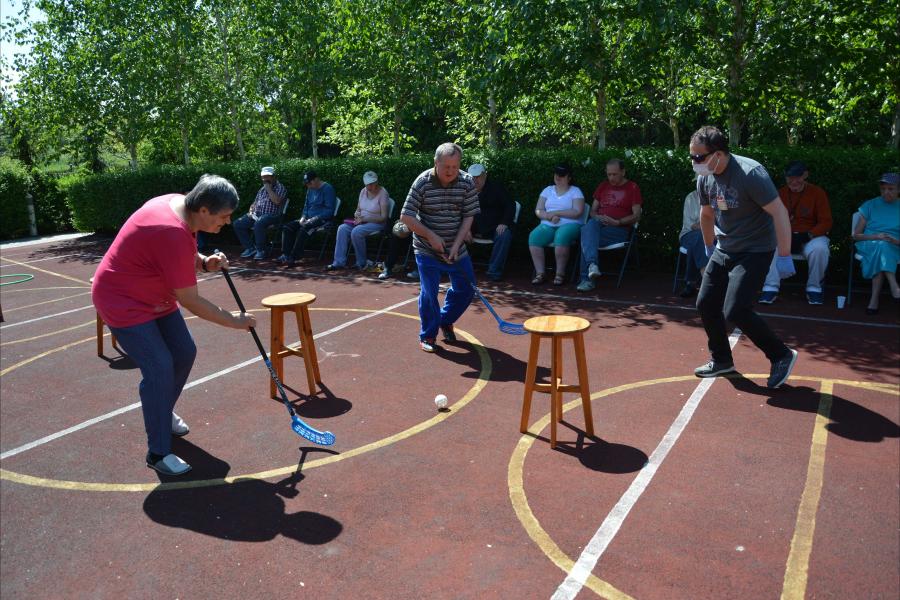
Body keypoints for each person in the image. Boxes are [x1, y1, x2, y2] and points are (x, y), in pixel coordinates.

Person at [91, 175, 256, 476]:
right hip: (122, 301)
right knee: (159, 367)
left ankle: (161, 411)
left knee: (184, 352)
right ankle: (158, 453)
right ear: (204, 209)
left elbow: (180, 254)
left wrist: (205, 262)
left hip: (154, 295)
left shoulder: (181, 207)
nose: (228, 222)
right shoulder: (170, 229)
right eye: (224, 216)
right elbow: (191, 300)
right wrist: (235, 321)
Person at [689, 125, 798, 389]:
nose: (695, 163)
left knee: (736, 310)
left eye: (699, 157)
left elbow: (780, 213)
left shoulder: (750, 174)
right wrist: (707, 246)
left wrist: (783, 255)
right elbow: (706, 214)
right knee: (705, 303)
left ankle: (781, 355)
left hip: (755, 249)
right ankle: (721, 359)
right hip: (724, 247)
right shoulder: (706, 177)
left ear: (718, 153)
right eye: (691, 157)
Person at [399, 142, 480, 353]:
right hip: (426, 249)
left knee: (466, 289)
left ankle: (445, 320)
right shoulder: (422, 182)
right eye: (446, 167)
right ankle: (428, 335)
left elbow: (468, 216)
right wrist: (431, 236)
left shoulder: (467, 182)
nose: (451, 172)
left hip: (456, 248)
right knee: (429, 292)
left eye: (455, 167)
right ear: (436, 163)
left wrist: (456, 244)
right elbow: (406, 216)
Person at [759, 161, 833, 305]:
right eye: (790, 177)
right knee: (769, 246)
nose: (794, 181)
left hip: (810, 236)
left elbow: (826, 221)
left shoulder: (817, 193)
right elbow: (770, 218)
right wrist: (783, 235)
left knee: (820, 249)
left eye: (798, 177)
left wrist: (809, 235)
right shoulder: (779, 193)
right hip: (785, 235)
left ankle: (814, 288)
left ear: (805, 175)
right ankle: (770, 287)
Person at [577, 158, 643, 291]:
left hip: (618, 229)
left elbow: (637, 215)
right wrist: (598, 217)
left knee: (586, 235)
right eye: (609, 174)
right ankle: (592, 266)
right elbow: (593, 211)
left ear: (623, 172)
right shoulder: (603, 186)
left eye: (615, 174)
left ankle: (587, 277)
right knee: (590, 227)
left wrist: (617, 222)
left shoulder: (632, 188)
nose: (611, 177)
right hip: (599, 225)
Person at [528, 164, 585, 285]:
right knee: (534, 237)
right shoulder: (547, 190)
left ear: (569, 178)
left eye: (562, 175)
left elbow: (577, 212)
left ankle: (560, 274)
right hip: (548, 224)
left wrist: (556, 213)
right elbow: (538, 210)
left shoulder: (575, 191)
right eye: (556, 174)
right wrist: (549, 216)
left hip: (571, 225)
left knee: (561, 235)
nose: (558, 177)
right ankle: (540, 273)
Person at [852, 172, 900, 315]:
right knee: (881, 246)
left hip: (895, 245)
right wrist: (876, 236)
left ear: (899, 189)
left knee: (883, 247)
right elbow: (856, 236)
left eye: (891, 189)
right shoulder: (870, 205)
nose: (886, 192)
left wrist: (895, 240)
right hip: (868, 243)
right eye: (883, 189)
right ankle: (893, 285)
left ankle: (874, 300)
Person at [326, 171, 389, 271]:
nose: (369, 187)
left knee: (357, 231)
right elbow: (358, 209)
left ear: (377, 182)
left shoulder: (383, 193)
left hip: (377, 223)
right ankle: (338, 262)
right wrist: (357, 214)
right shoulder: (363, 191)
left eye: (372, 184)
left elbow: (383, 217)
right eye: (367, 184)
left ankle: (361, 262)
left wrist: (364, 219)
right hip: (361, 222)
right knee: (342, 228)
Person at [466, 163, 516, 281]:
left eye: (478, 176)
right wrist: (465, 229)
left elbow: (510, 205)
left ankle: (494, 271)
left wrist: (504, 222)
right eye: (472, 177)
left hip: (494, 226)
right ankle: (451, 266)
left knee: (504, 235)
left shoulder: (496, 188)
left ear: (485, 175)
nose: (475, 180)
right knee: (450, 228)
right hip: (472, 226)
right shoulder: (465, 190)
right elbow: (461, 211)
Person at [277, 171, 337, 267]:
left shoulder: (328, 189)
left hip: (321, 220)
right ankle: (286, 255)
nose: (308, 186)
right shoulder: (310, 189)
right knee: (287, 227)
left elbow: (329, 211)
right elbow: (306, 206)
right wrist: (303, 217)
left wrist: (314, 218)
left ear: (316, 179)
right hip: (307, 219)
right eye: (306, 184)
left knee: (303, 229)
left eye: (309, 183)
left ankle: (293, 257)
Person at [232, 166, 288, 260]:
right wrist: (251, 210)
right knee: (237, 223)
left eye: (267, 176)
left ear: (274, 176)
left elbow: (277, 202)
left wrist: (269, 189)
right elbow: (254, 203)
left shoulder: (280, 188)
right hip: (257, 215)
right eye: (263, 177)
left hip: (273, 216)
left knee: (259, 222)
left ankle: (261, 250)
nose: (265, 179)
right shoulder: (261, 189)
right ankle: (250, 248)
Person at [678, 188, 709, 297]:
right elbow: (693, 226)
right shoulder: (691, 197)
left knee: (697, 242)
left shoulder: (719, 197)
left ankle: (691, 282)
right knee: (700, 237)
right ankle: (706, 280)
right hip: (689, 234)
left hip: (711, 235)